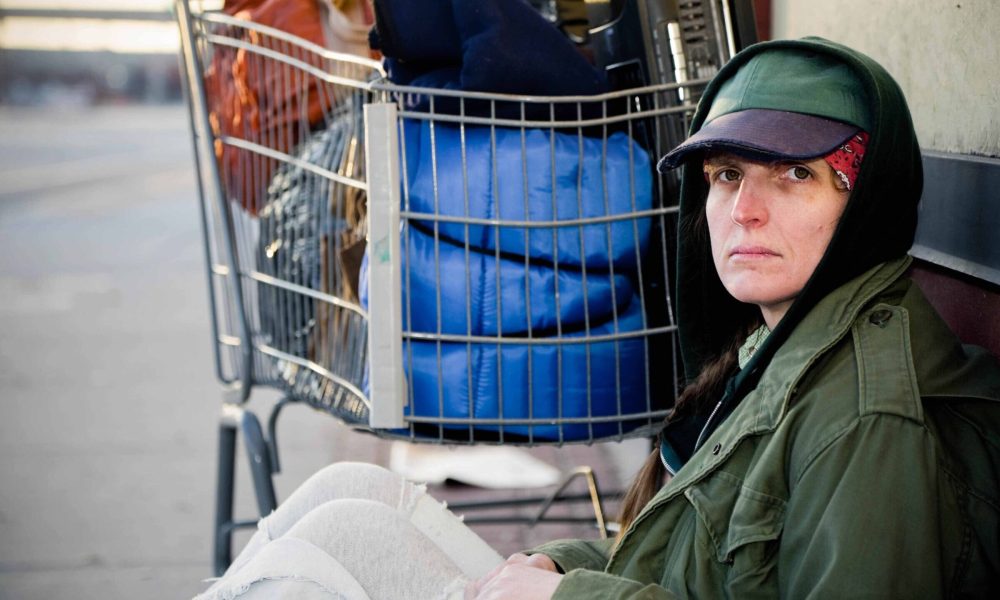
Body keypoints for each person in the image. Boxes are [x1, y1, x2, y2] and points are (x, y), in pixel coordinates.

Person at [195, 37, 1000, 599]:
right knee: (349, 493)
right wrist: (560, 562)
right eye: (725, 175)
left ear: (866, 202)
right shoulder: (779, 337)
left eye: (794, 175)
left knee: (306, 574)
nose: (745, 210)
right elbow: (695, 559)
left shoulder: (865, 418)